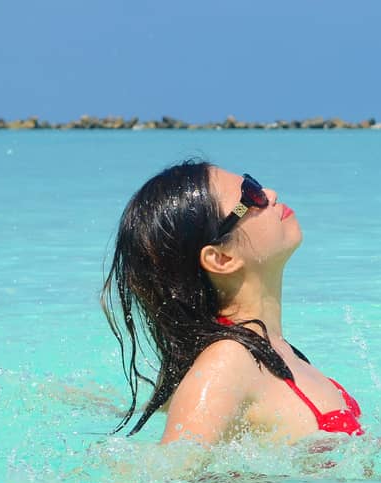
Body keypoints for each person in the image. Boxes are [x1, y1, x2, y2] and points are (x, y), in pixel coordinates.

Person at [102, 160, 364, 445]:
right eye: (251, 196)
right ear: (221, 258)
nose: (271, 194)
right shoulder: (229, 361)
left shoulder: (274, 349)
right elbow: (165, 476)